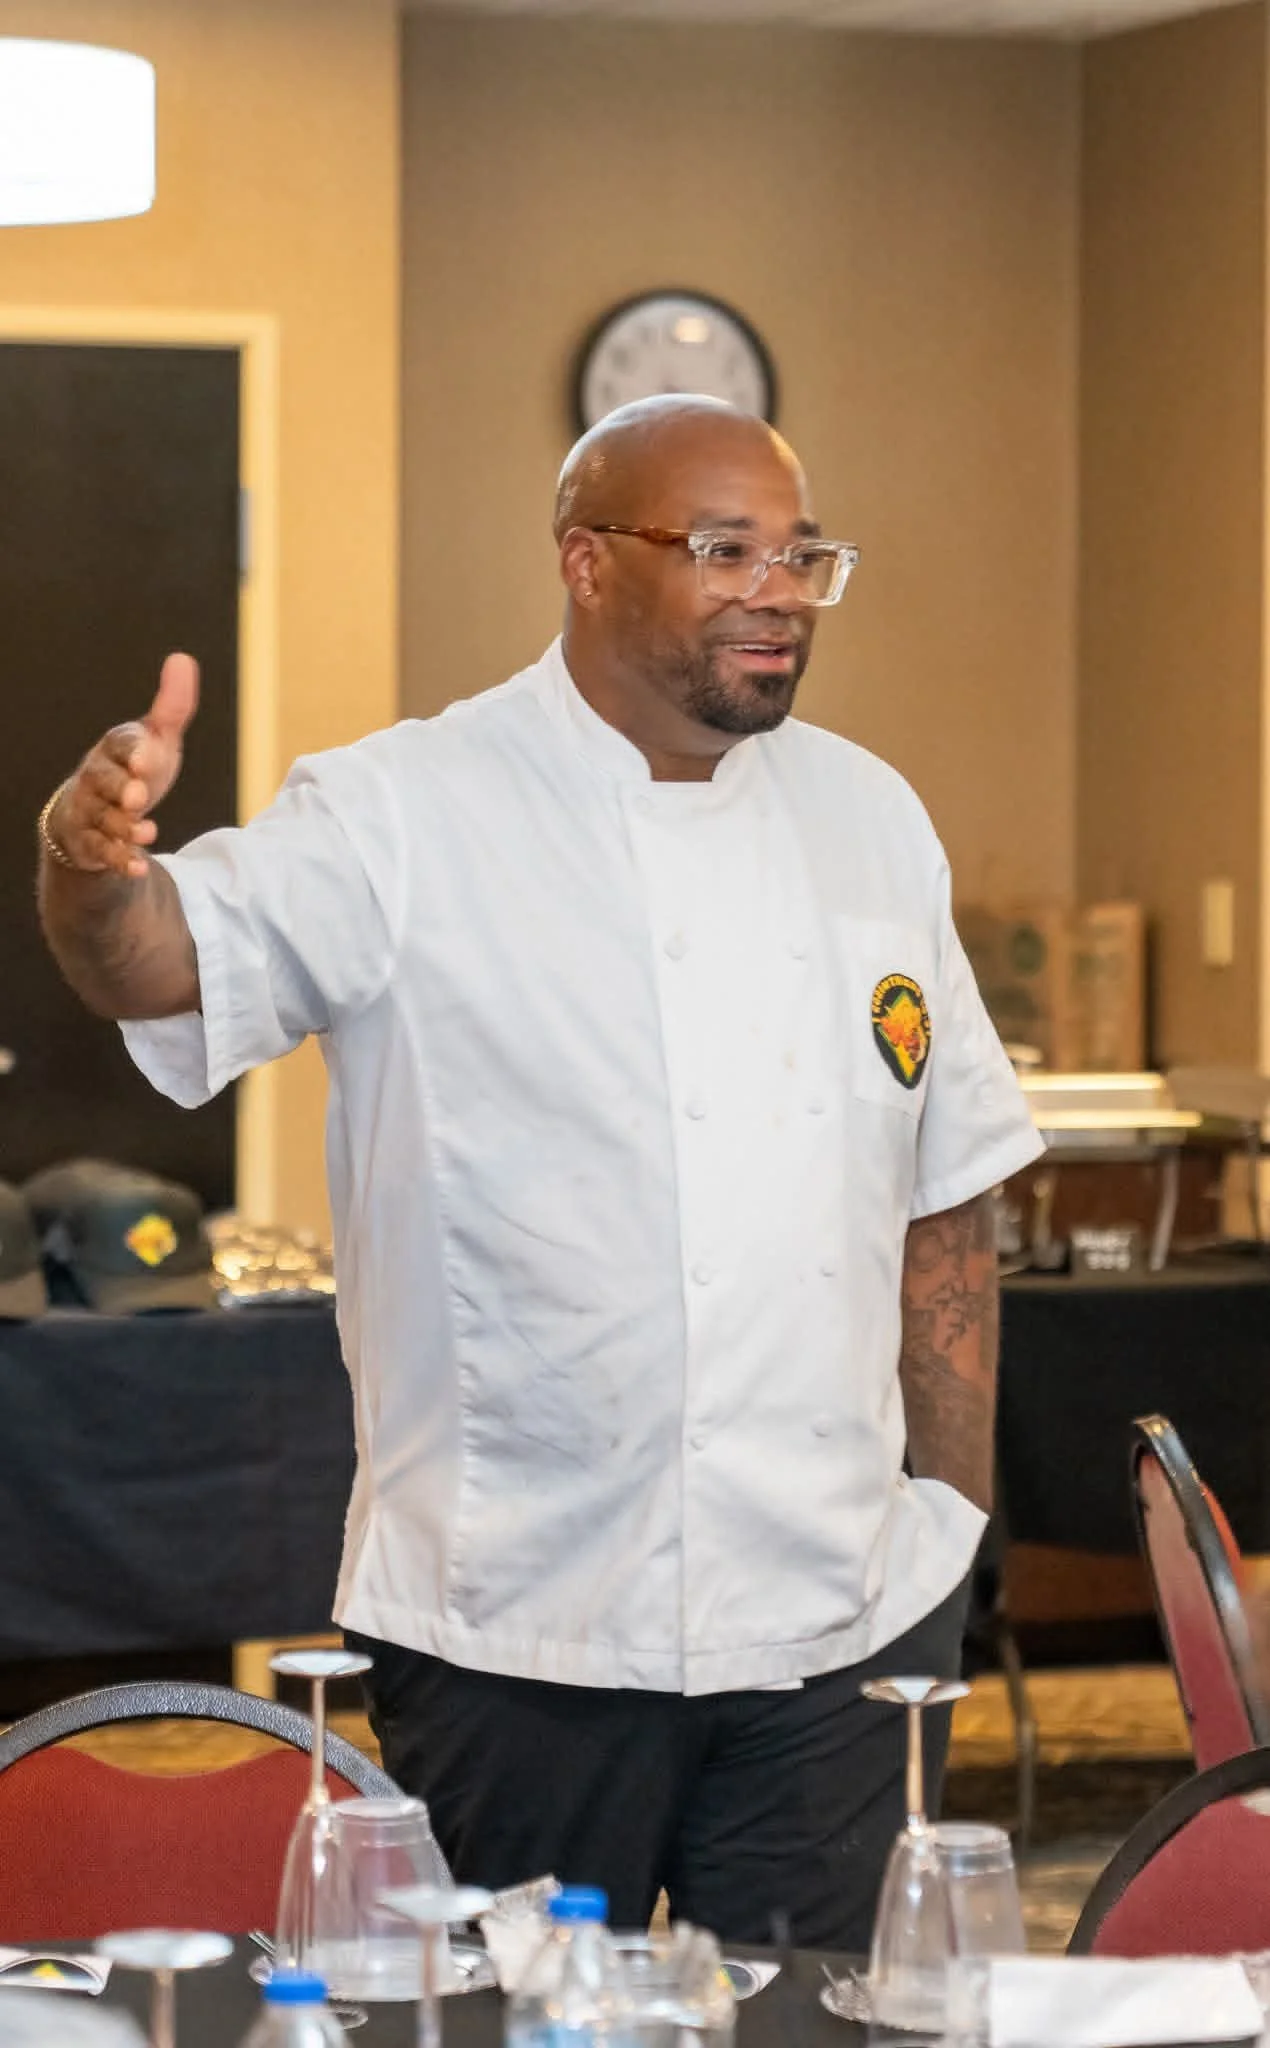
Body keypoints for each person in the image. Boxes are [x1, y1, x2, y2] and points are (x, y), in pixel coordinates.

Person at [37, 396, 1043, 1948]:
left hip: (832, 1629)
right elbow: (159, 961)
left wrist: (946, 1545)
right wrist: (83, 871)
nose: (776, 589)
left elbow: (942, 1194)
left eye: (800, 555)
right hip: (518, 1630)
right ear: (583, 562)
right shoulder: (401, 813)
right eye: (722, 550)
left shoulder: (870, 819)